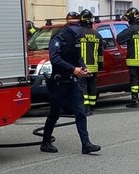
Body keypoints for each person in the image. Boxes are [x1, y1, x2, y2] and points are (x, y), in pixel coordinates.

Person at [40, 11, 101, 155]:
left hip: (73, 82)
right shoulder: (59, 37)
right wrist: (73, 69)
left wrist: (84, 69)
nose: (80, 31)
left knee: (80, 112)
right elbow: (55, 59)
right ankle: (45, 142)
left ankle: (86, 144)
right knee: (54, 114)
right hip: (59, 82)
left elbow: (79, 58)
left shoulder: (77, 38)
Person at [116, 7, 139, 108]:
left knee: (134, 81)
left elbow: (119, 38)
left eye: (128, 18)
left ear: (132, 18)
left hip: (133, 61)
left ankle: (134, 100)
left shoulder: (131, 30)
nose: (127, 20)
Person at [78, 9, 104, 116]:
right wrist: (100, 65)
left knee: (83, 87)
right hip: (94, 66)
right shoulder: (97, 35)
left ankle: (86, 108)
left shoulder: (78, 33)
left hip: (82, 67)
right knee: (92, 86)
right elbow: (100, 53)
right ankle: (92, 106)